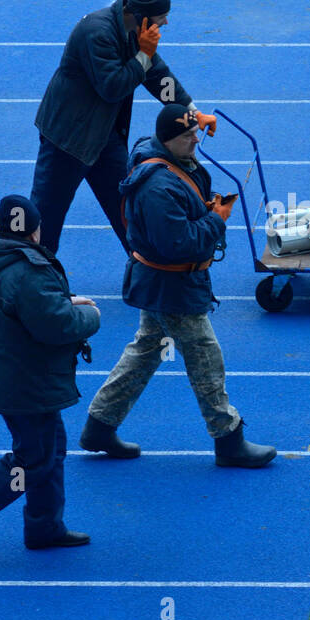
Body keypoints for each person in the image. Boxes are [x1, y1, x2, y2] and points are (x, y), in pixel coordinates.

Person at [79, 104, 276, 467]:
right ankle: (228, 438)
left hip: (163, 283)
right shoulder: (157, 188)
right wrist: (216, 219)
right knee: (205, 359)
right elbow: (179, 244)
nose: (196, 139)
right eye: (189, 136)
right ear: (169, 141)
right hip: (171, 286)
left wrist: (192, 115)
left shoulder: (164, 154)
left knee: (145, 352)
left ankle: (99, 426)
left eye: (196, 131)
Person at [0, 195, 102, 552]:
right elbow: (56, 325)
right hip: (26, 383)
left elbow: (27, 309)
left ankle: (45, 526)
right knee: (33, 461)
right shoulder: (28, 272)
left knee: (49, 450)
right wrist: (91, 317)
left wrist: (61, 301)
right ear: (34, 231)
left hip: (9, 374)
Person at [30, 0, 209, 257]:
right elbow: (112, 87)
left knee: (128, 207)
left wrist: (192, 111)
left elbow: (156, 74)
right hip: (67, 140)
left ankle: (149, 270)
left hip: (103, 137)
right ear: (141, 16)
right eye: (161, 17)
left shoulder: (134, 31)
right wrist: (144, 55)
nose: (166, 23)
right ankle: (37, 279)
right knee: (47, 216)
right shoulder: (97, 32)